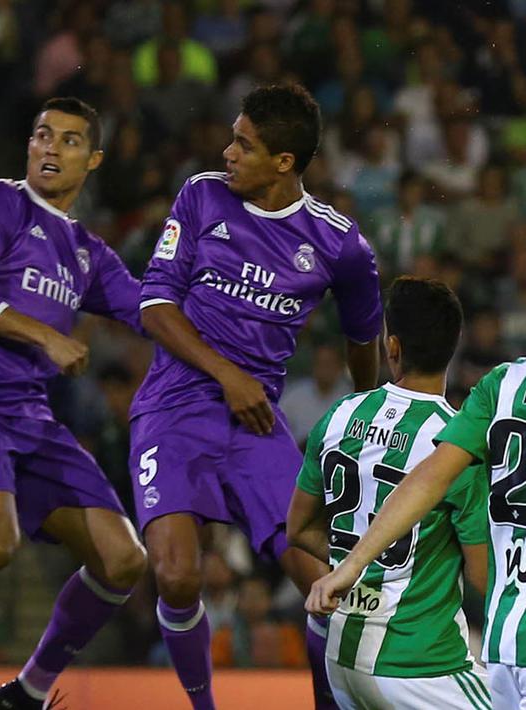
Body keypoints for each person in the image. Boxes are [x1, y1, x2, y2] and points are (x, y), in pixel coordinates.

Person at [131, 83, 382, 709]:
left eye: (244, 144)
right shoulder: (202, 195)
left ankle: (332, 700)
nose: (228, 152)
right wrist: (226, 375)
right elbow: (155, 306)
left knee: (328, 578)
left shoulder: (339, 244)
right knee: (178, 575)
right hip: (174, 406)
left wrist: (373, 414)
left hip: (255, 424)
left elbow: (363, 339)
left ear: (284, 163)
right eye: (232, 137)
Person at [0, 96, 148, 710]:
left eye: (69, 140)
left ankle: (26, 692)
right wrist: (45, 334)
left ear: (94, 158)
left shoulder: (88, 252)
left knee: (123, 560)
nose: (51, 148)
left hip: (33, 419)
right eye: (42, 135)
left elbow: (149, 312)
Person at [288, 277, 491, 709]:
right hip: (423, 666)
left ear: (391, 347)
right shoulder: (455, 443)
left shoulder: (339, 416)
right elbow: (482, 576)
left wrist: (358, 574)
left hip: (342, 661)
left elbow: (299, 526)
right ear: (453, 346)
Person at [306, 370, 526, 702]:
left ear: (391, 346)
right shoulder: (454, 415)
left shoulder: (503, 382)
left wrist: (351, 568)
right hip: (423, 659)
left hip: (505, 639)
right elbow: (480, 573)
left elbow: (428, 479)